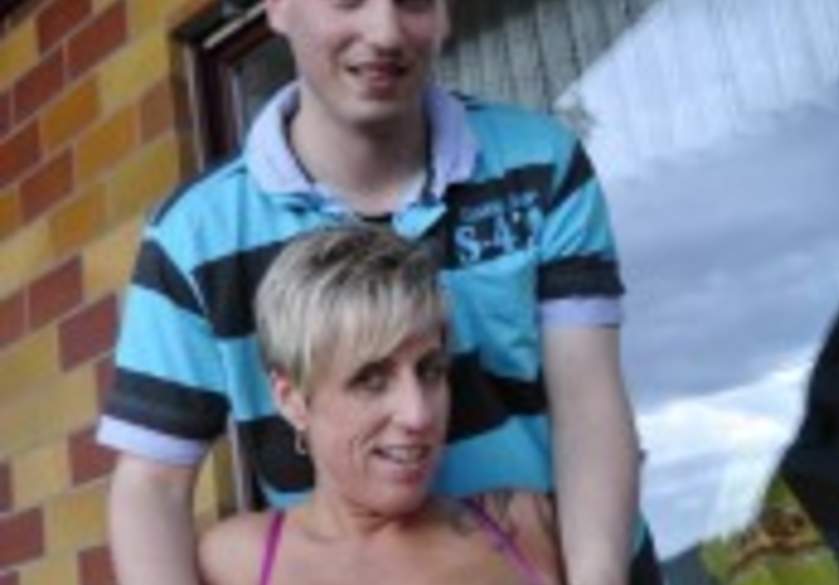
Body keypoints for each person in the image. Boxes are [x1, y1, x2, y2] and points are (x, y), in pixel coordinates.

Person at [98, 0, 661, 583]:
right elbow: (153, 485)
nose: (386, 31)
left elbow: (588, 404)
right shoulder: (194, 235)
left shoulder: (540, 161)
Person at [200, 224, 566, 585]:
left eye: (431, 371)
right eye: (371, 381)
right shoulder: (234, 562)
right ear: (291, 399)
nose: (418, 415)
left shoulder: (528, 527)